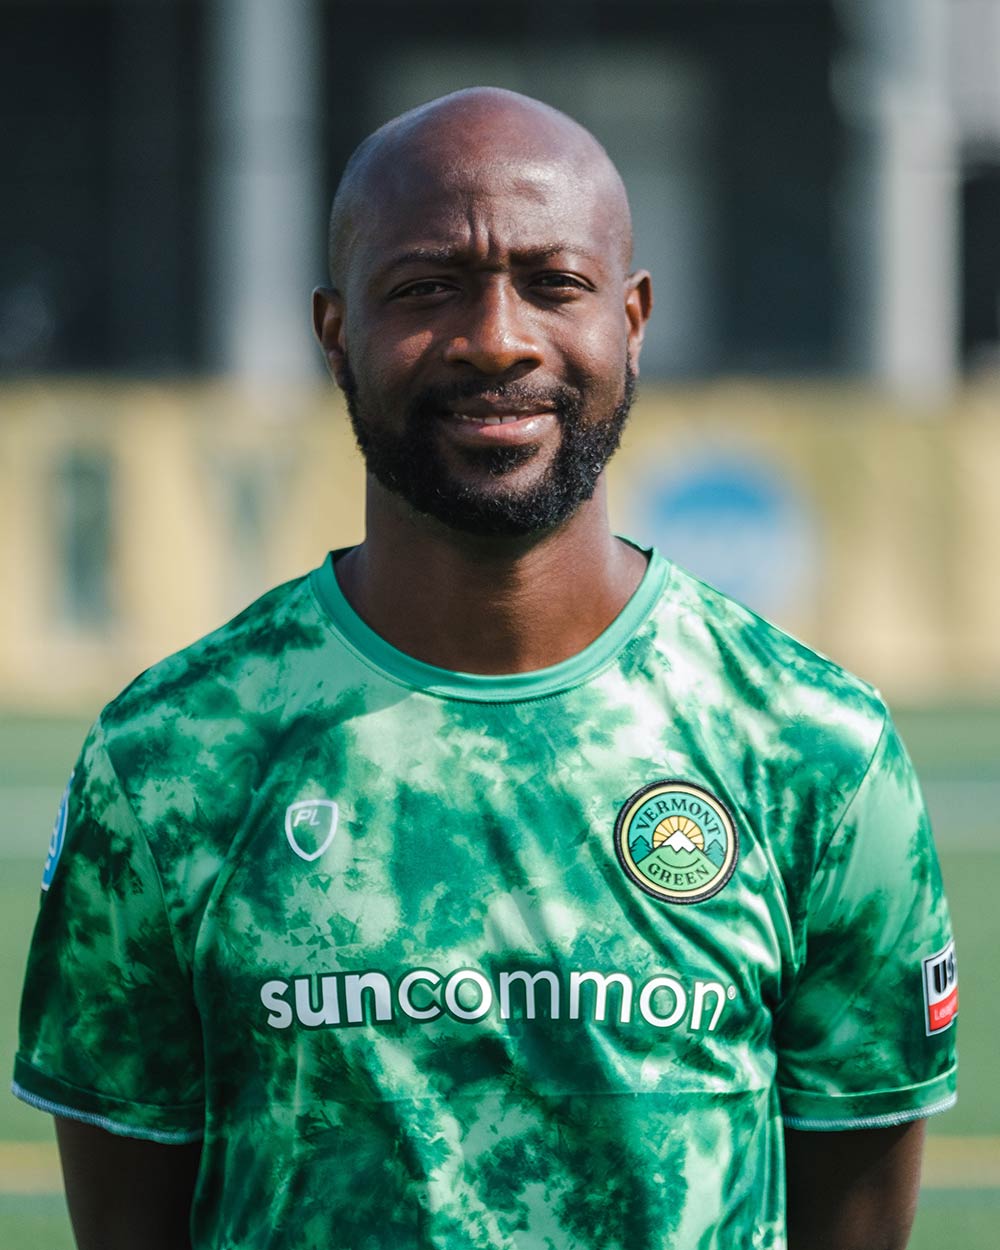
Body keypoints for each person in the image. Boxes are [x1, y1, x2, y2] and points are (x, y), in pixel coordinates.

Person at [14, 87, 957, 1250]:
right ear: (333, 334)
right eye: (426, 289)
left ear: (632, 319)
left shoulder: (815, 750)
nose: (496, 338)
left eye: (554, 283)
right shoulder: (170, 759)